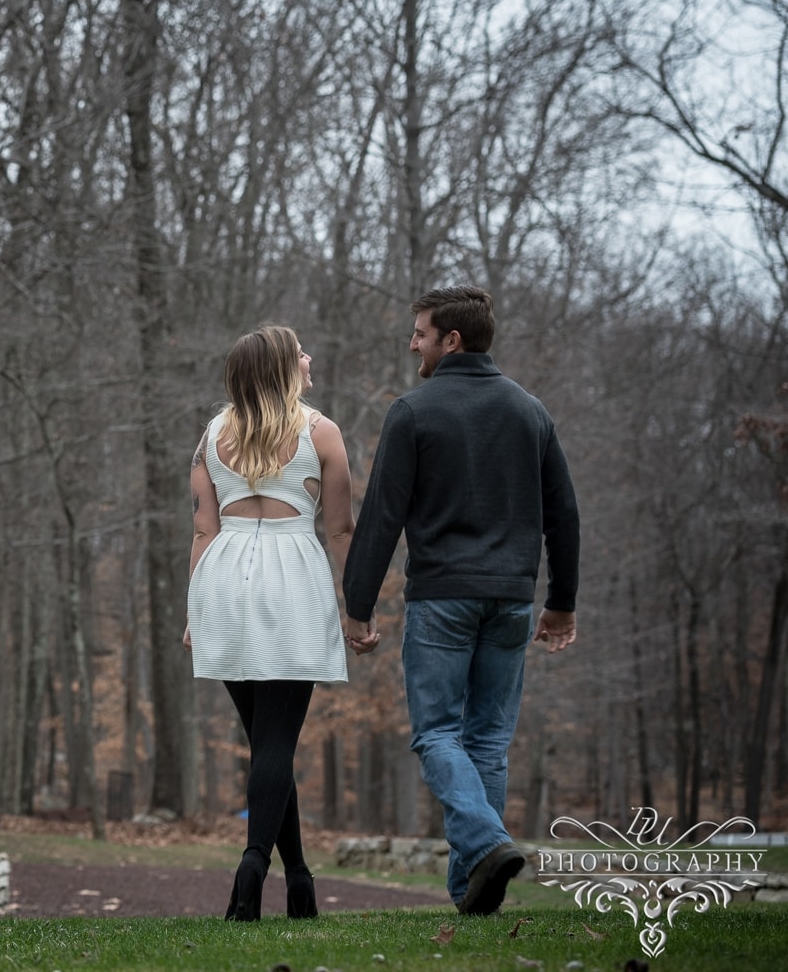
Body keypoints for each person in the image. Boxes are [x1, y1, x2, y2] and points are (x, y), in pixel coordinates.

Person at [341, 286, 580, 917]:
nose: (411, 341)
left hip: (443, 598)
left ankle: (488, 841)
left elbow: (382, 517)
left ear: (452, 339)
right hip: (511, 600)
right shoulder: (531, 411)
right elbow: (565, 514)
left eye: (419, 331)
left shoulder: (414, 411)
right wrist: (562, 601)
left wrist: (357, 604)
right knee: (487, 743)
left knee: (438, 735)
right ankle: (471, 895)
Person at [185, 326, 354, 921]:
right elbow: (339, 532)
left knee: (266, 747)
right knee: (276, 744)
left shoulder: (213, 434)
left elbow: (204, 529)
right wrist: (356, 609)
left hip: (224, 580)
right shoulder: (321, 432)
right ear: (283, 369)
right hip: (292, 582)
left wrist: (193, 612)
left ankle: (300, 880)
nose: (309, 358)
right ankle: (254, 863)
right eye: (300, 352)